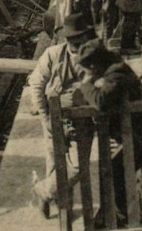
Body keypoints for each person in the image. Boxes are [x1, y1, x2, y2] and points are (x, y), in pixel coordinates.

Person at [75, 38, 142, 226]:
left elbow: (101, 101)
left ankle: (125, 218)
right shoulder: (114, 67)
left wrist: (86, 84)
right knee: (134, 174)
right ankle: (130, 217)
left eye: (89, 69)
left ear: (94, 65)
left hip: (141, 132)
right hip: (136, 130)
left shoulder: (116, 73)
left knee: (124, 172)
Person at [27, 14, 96, 216]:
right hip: (55, 118)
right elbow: (36, 84)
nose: (74, 42)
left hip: (82, 120)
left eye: (78, 38)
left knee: (77, 166)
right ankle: (60, 209)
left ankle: (43, 191)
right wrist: (45, 117)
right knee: (54, 163)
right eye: (70, 38)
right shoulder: (53, 54)